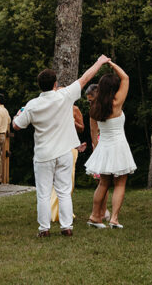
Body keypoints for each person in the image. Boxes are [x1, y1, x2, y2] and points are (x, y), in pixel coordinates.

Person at [13, 54, 110, 237]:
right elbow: (85, 78)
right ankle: (67, 227)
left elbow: (17, 126)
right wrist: (99, 62)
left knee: (43, 193)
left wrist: (17, 114)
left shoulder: (32, 105)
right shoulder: (64, 96)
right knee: (64, 191)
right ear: (55, 84)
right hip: (65, 151)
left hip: (43, 155)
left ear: (39, 85)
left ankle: (44, 229)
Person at [85, 60, 137, 229]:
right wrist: (112, 64)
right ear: (114, 88)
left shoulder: (95, 107)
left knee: (103, 183)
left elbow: (94, 132)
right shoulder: (116, 102)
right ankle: (114, 218)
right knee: (120, 183)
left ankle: (95, 216)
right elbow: (126, 78)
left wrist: (96, 147)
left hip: (104, 147)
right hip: (118, 146)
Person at [49, 102, 86, 223]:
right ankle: (53, 212)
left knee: (69, 181)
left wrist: (71, 121)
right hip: (55, 146)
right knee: (54, 180)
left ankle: (64, 212)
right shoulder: (54, 108)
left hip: (70, 147)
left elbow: (81, 128)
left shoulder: (75, 109)